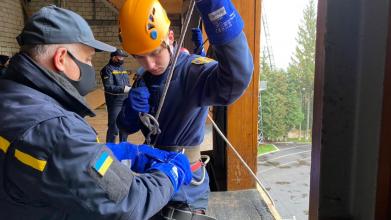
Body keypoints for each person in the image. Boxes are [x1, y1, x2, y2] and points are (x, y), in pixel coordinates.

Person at [0, 5, 192, 220]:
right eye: (88, 59)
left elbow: (61, 160)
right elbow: (130, 202)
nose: (90, 68)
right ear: (61, 58)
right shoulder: (57, 128)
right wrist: (171, 174)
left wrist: (125, 153)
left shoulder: (12, 95)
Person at [115, 0, 254, 218]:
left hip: (186, 186)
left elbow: (236, 78)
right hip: (153, 177)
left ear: (170, 38)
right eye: (139, 56)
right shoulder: (144, 78)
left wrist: (217, 11)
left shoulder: (192, 71)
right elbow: (124, 125)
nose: (149, 64)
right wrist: (130, 113)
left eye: (154, 53)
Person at [100, 49, 131, 143]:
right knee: (114, 127)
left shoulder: (122, 68)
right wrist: (123, 89)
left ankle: (123, 146)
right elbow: (108, 87)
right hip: (115, 101)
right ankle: (110, 147)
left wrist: (129, 89)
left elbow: (127, 83)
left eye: (122, 57)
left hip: (125, 99)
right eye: (120, 57)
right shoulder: (107, 69)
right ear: (113, 57)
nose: (122, 59)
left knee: (125, 126)